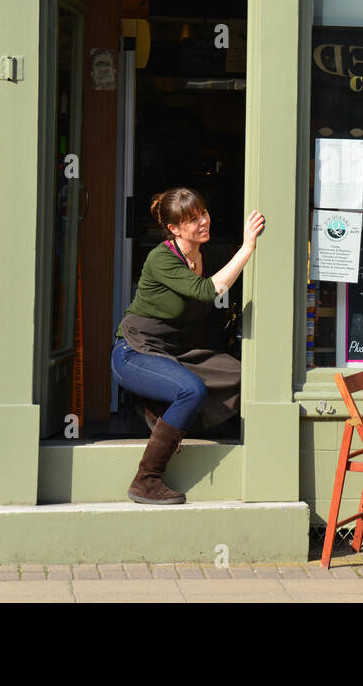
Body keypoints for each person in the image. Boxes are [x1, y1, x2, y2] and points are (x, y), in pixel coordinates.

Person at [113, 187, 265, 504]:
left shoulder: (199, 255)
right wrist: (247, 246)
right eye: (192, 219)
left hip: (173, 353)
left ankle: (166, 417)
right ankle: (146, 480)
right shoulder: (162, 258)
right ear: (173, 229)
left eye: (203, 214)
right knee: (191, 390)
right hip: (134, 351)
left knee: (241, 374)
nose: (202, 222)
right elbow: (210, 290)